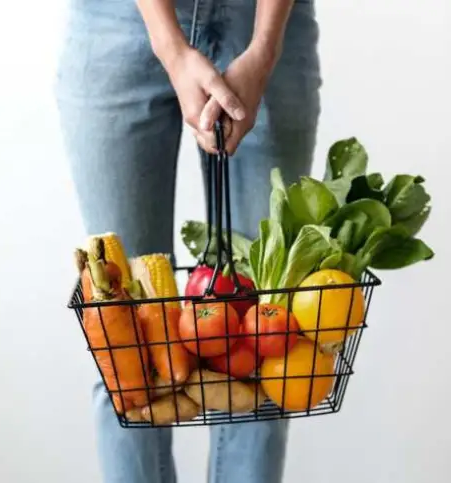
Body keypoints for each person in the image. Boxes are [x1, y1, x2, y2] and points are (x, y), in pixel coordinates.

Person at [55, 0, 320, 481]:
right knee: (123, 343)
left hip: (263, 21)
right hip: (118, 21)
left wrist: (264, 47)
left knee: (265, 337)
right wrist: (169, 45)